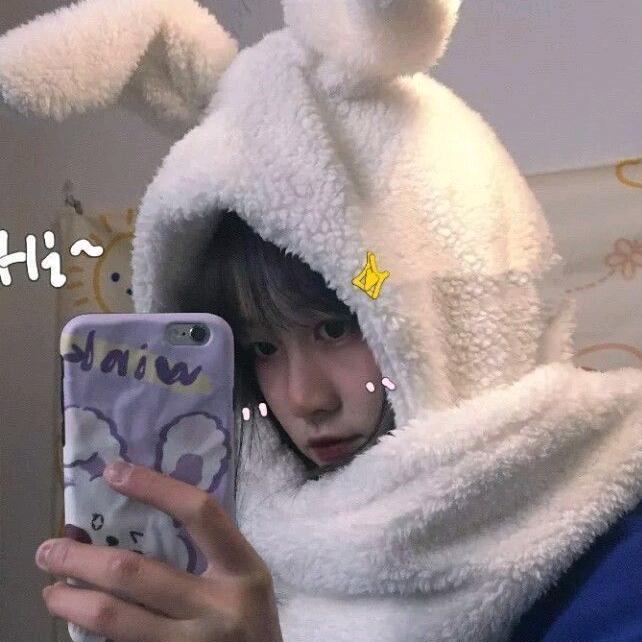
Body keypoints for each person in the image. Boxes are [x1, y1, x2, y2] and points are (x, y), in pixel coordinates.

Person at [1, 0, 641, 640]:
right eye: (262, 348)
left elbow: (375, 278)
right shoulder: (247, 545)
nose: (304, 399)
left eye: (335, 328)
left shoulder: (615, 544)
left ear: (453, 314)